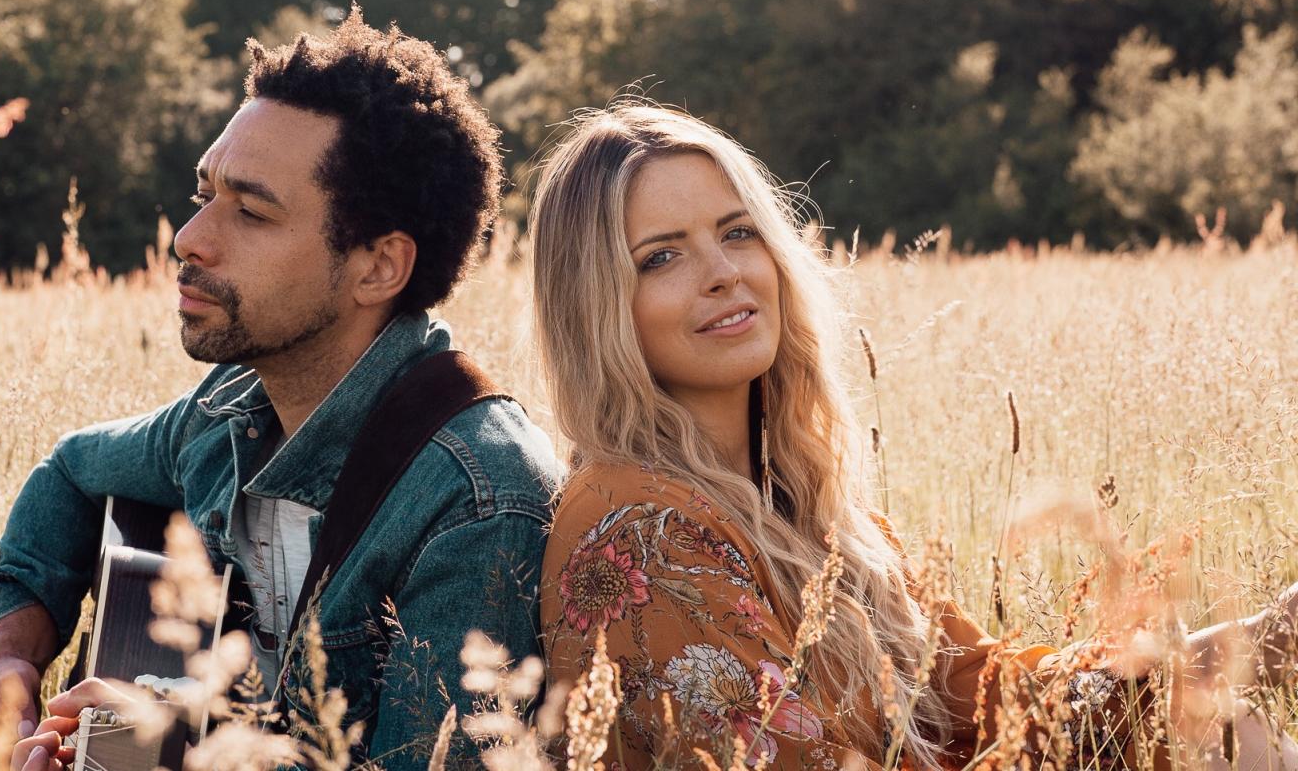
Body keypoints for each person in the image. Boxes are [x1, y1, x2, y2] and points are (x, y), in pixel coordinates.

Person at [528, 103, 1298, 770]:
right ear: (598, 309)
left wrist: (1257, 641)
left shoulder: (804, 502)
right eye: (661, 257)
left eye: (738, 231)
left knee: (1208, 727)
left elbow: (992, 694)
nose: (724, 271)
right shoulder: (637, 530)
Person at [0, 11, 560, 770]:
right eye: (203, 195)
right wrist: (11, 661)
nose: (190, 239)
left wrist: (175, 749)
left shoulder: (478, 500)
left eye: (251, 212)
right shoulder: (228, 413)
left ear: (378, 266)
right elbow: (71, 472)